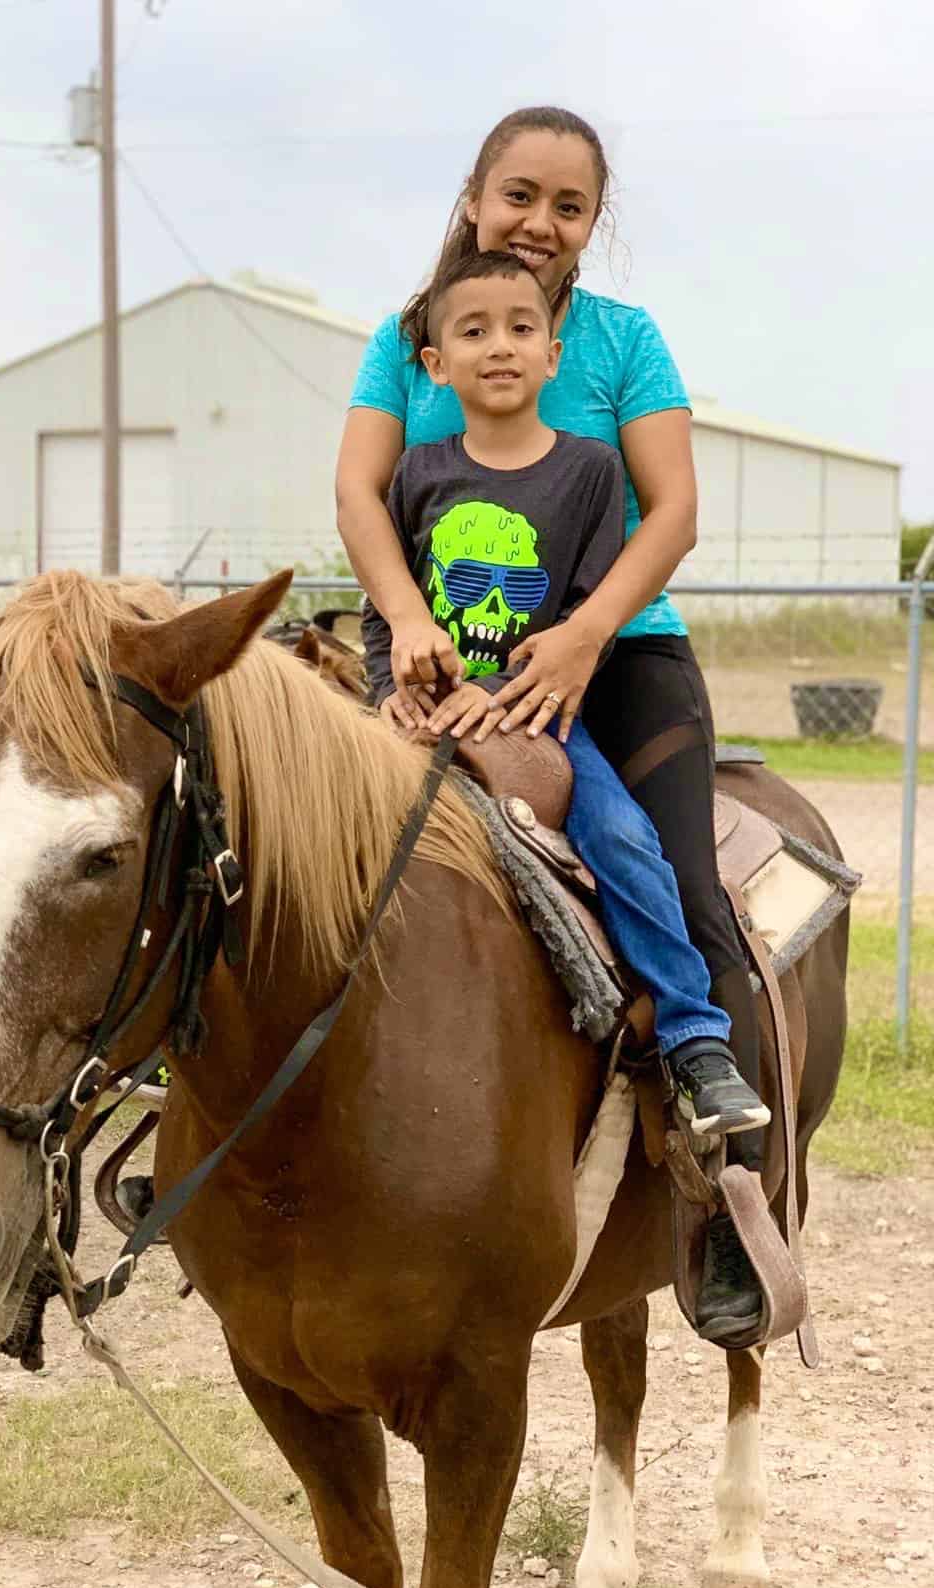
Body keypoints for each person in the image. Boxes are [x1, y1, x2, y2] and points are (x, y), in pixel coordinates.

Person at [336, 107, 767, 1349]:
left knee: (683, 880)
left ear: (592, 228)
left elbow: (671, 508)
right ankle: (227, 1122)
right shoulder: (405, 336)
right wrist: (408, 622)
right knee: (290, 835)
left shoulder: (623, 341)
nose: (539, 223)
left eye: (568, 206)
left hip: (614, 649)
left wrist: (581, 639)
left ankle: (729, 1188)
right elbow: (361, 491)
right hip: (433, 658)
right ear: (476, 196)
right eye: (518, 195)